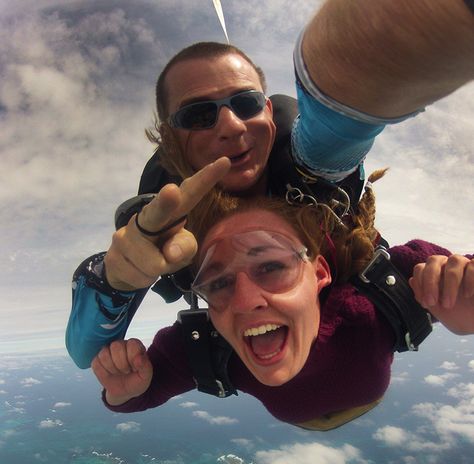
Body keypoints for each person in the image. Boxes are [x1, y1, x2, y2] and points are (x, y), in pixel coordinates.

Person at [66, 0, 474, 370]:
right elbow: (85, 354)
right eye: (198, 115)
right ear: (170, 137)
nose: (231, 126)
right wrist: (115, 280)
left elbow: (341, 117)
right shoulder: (165, 228)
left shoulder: (307, 164)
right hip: (272, 347)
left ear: (267, 111)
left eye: (245, 104)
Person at [90, 171, 474, 430]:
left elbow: (464, 272)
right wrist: (125, 391)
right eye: (219, 283)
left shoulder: (388, 288)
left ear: (320, 273)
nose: (243, 301)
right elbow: (140, 392)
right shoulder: (203, 347)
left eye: (271, 267)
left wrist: (464, 293)